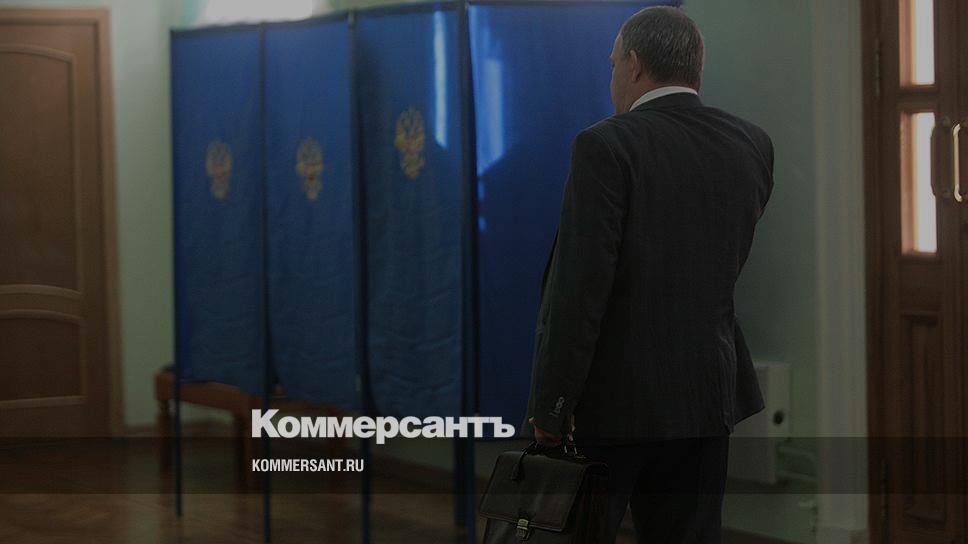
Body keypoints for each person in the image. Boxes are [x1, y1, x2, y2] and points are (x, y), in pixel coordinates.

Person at [523, 6, 774, 543]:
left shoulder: (604, 145)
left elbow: (579, 291)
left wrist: (552, 404)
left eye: (613, 63)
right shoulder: (752, 144)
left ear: (634, 64)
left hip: (614, 403)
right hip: (707, 395)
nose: (612, 76)